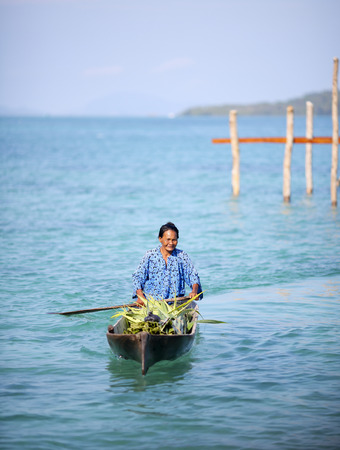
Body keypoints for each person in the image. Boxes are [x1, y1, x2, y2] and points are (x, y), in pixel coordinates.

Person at [132, 222, 203, 304]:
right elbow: (137, 277)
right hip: (152, 303)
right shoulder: (150, 255)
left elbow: (193, 275)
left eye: (174, 240)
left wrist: (194, 291)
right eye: (168, 239)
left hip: (175, 303)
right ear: (160, 239)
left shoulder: (181, 256)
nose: (171, 243)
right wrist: (140, 296)